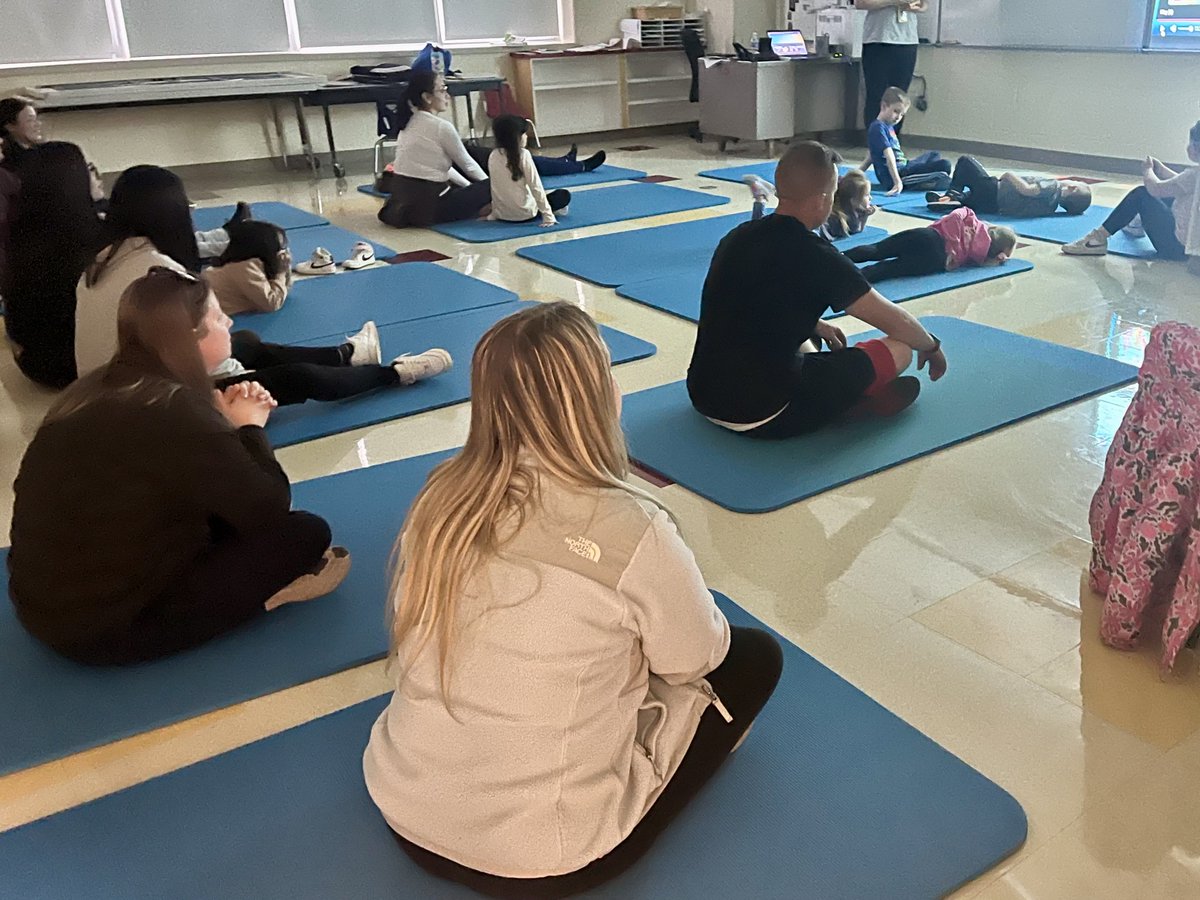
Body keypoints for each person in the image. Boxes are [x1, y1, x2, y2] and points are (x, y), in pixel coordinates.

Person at [364, 301, 783, 897]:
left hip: (402, 802)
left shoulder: (443, 496)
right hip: (544, 858)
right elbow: (696, 660)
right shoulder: (634, 526)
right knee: (755, 656)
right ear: (596, 396)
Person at [8, 269, 350, 665]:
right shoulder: (175, 409)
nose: (230, 323)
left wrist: (222, 426)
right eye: (219, 319)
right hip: (103, 631)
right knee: (306, 532)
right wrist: (249, 427)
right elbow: (270, 509)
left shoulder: (93, 389)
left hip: (36, 604)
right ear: (190, 337)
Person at [76, 165, 452, 400]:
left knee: (248, 343)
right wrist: (249, 381)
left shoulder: (105, 257)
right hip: (149, 400)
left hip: (110, 385)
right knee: (296, 378)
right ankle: (394, 374)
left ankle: (346, 355)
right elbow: (202, 362)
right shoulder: (159, 274)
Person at [688, 141, 949, 439]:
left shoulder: (737, 237)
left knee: (802, 341)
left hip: (703, 395)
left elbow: (743, 303)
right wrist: (931, 346)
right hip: (765, 413)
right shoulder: (819, 257)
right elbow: (896, 321)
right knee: (900, 348)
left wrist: (815, 323)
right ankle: (848, 402)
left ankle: (842, 398)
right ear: (822, 199)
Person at [2, 141, 104, 388]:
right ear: (72, 180)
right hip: (87, 369)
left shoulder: (18, 234)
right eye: (90, 169)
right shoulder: (100, 240)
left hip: (35, 365)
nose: (98, 177)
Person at [1063, 120, 1200, 261]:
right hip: (1191, 248)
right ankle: (1135, 223)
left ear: (1195, 148)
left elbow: (1155, 189)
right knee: (1172, 195)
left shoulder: (1193, 175)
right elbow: (1181, 184)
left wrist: (1147, 170)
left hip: (1177, 249)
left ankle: (1096, 240)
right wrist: (1160, 169)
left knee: (1142, 194)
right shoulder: (1194, 176)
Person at [844, 207, 1017, 283]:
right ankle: (844, 280)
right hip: (935, 261)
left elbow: (956, 215)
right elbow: (983, 260)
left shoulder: (971, 219)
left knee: (876, 250)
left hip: (929, 236)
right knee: (887, 269)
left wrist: (953, 242)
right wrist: (954, 249)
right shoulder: (979, 256)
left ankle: (835, 260)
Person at [855, 0, 927, 136]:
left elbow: (924, 5)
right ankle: (875, 144)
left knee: (900, 96)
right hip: (878, 41)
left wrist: (913, 6)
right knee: (876, 95)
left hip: (907, 42)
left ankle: (893, 142)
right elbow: (861, 3)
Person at [487, 114, 571, 227]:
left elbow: (495, 188)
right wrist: (548, 216)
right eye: (524, 134)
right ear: (516, 137)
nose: (526, 137)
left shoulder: (493, 155)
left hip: (502, 214)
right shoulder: (523, 155)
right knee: (563, 195)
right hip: (525, 214)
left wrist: (494, 213)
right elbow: (536, 186)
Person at [867, 87, 950, 195]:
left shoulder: (888, 126)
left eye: (902, 114)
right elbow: (889, 155)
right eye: (896, 111)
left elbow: (871, 155)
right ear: (883, 106)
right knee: (945, 165)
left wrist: (856, 173)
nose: (898, 117)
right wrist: (897, 182)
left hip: (905, 166)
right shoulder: (878, 128)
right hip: (900, 174)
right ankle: (928, 182)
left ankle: (929, 179)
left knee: (934, 155)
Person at [206, 220, 293, 314]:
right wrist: (281, 272)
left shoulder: (248, 263)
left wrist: (284, 267)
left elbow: (284, 289)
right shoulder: (245, 268)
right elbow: (272, 303)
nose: (282, 252)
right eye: (279, 248)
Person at [824, 169, 878, 239]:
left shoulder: (847, 207)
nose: (870, 198)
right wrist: (865, 216)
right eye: (866, 195)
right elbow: (858, 229)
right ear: (853, 201)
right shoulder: (845, 217)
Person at [0, 97, 44, 169]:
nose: (38, 124)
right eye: (30, 120)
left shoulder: (44, 152)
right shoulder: (6, 160)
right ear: (10, 126)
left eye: (36, 119)